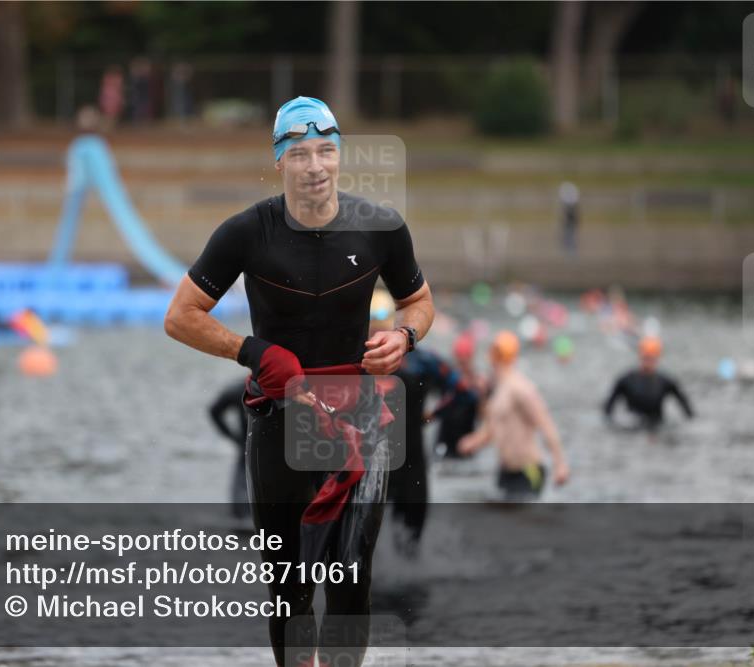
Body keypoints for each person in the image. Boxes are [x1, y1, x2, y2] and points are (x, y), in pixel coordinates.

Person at [164, 96, 434, 667]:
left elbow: (419, 303)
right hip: (278, 421)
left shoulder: (380, 226)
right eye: (302, 153)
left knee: (350, 583)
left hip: (358, 419)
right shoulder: (246, 232)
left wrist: (404, 338)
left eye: (327, 152)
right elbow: (181, 315)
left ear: (340, 156)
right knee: (288, 591)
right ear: (280, 161)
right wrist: (254, 351)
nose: (316, 166)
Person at [370, 291, 477, 558]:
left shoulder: (355, 358)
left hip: (376, 470)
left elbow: (464, 392)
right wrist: (431, 415)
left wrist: (431, 415)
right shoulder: (419, 358)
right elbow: (464, 392)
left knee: (365, 554)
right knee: (407, 551)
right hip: (407, 466)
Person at [459, 331, 569, 501]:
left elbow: (545, 423)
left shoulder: (520, 387)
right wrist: (474, 441)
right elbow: (492, 428)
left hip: (528, 470)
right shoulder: (498, 388)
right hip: (505, 470)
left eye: (494, 352)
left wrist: (560, 464)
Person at [603, 336, 694, 431]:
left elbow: (685, 406)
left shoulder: (665, 381)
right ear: (640, 356)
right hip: (632, 425)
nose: (648, 361)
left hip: (658, 425)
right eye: (646, 357)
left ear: (657, 358)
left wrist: (690, 424)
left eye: (652, 358)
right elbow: (608, 407)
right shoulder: (626, 380)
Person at [208, 380, 249, 519]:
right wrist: (233, 437)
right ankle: (241, 516)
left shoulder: (282, 389)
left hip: (267, 449)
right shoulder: (240, 390)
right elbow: (214, 410)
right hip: (247, 448)